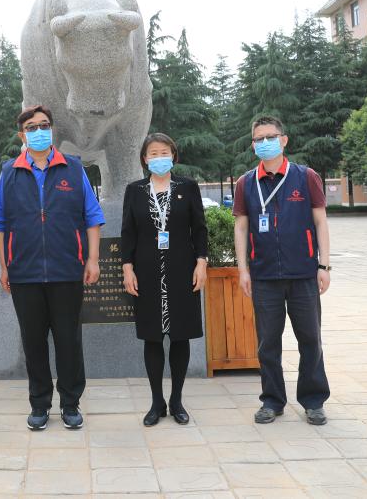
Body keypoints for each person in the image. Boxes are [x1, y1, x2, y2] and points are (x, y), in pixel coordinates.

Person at [0, 105, 104, 431]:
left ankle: (70, 404)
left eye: (43, 126)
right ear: (22, 135)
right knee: (34, 342)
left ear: (51, 129)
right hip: (24, 274)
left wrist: (92, 259)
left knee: (69, 341)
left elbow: (92, 216)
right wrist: (5, 266)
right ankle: (39, 404)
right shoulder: (10, 172)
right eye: (31, 127)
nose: (38, 132)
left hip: (67, 271)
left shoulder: (73, 168)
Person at [232, 116, 332, 426]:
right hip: (264, 276)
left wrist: (324, 265)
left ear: (284, 140)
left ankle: (313, 401)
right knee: (268, 343)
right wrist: (243, 270)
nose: (265, 143)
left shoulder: (306, 177)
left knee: (310, 339)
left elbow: (320, 222)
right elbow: (241, 227)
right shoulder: (246, 182)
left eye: (270, 137)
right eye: (259, 139)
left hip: (303, 273)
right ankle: (272, 401)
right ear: (253, 145)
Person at [121, 133, 208, 426]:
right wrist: (127, 268)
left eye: (164, 152)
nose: (159, 157)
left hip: (182, 270)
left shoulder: (187, 187)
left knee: (180, 336)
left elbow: (199, 229)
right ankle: (157, 402)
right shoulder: (135, 190)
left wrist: (201, 262)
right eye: (153, 153)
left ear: (173, 155)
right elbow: (128, 233)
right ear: (145, 159)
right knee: (152, 337)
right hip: (146, 272)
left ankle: (177, 400)